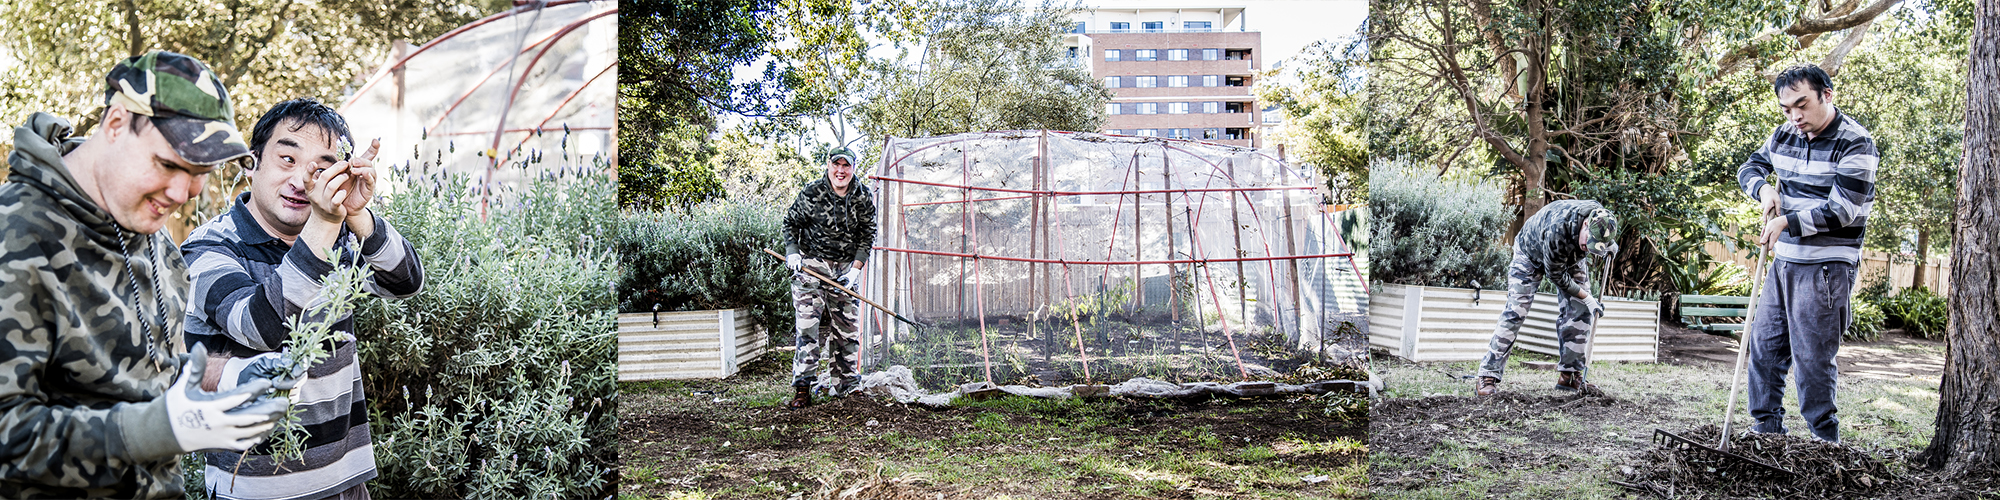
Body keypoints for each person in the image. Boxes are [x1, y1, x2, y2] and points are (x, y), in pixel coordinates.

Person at [0, 50, 292, 498]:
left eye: (200, 173)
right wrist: (152, 431)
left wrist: (232, 379)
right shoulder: (16, 234)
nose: (182, 193)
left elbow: (154, 375)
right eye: (170, 164)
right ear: (116, 124)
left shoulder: (148, 229)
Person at [182, 98, 426, 499]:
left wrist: (358, 216)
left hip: (346, 481)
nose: (301, 181)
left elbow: (406, 281)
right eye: (287, 159)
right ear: (252, 162)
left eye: (321, 166)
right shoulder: (210, 248)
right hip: (253, 489)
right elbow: (261, 326)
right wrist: (324, 226)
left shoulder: (337, 237)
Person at [1738, 64, 1876, 443]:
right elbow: (1750, 167)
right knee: (1764, 348)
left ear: (1827, 95)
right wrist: (1764, 191)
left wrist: (1786, 223)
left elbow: (1843, 210)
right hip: (1784, 262)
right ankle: (1766, 432)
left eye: (1802, 104)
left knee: (1813, 359)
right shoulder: (1784, 135)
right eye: (1786, 108)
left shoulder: (1855, 142)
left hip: (1826, 268)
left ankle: (1824, 441)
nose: (1795, 116)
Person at [1473, 199, 1618, 396]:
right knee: (1516, 311)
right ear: (1585, 224)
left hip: (1569, 257)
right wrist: (1587, 297)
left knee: (1582, 310)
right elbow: (1556, 275)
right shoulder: (1558, 228)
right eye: (1589, 241)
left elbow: (1603, 238)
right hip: (1530, 255)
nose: (1588, 247)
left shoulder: (1601, 219)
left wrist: (1608, 246)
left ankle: (1570, 375)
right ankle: (1487, 374)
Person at [782, 148, 877, 408]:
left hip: (846, 268)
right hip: (812, 266)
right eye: (837, 164)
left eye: (847, 166)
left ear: (853, 168)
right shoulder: (812, 192)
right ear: (829, 165)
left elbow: (868, 234)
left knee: (847, 330)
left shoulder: (862, 196)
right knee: (808, 328)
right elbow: (790, 223)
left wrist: (856, 269)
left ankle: (847, 385)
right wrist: (793, 253)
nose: (841, 171)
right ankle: (803, 387)